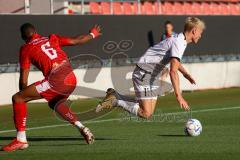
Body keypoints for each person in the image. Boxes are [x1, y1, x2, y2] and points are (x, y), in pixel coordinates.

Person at [1, 23, 101, 152]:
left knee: (17, 98)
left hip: (57, 80)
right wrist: (92, 34)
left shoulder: (26, 48)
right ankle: (81, 127)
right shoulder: (51, 39)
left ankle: (21, 140)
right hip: (71, 78)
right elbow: (76, 40)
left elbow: (23, 79)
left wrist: (23, 95)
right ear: (36, 31)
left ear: (22, 36)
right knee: (55, 103)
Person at [96, 17, 205, 120]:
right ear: (194, 30)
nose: (201, 35)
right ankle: (115, 100)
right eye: (201, 32)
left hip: (152, 75)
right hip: (144, 72)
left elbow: (174, 61)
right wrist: (179, 96)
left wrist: (185, 74)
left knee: (149, 112)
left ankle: (115, 96)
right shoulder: (179, 42)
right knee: (146, 113)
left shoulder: (180, 40)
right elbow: (173, 71)